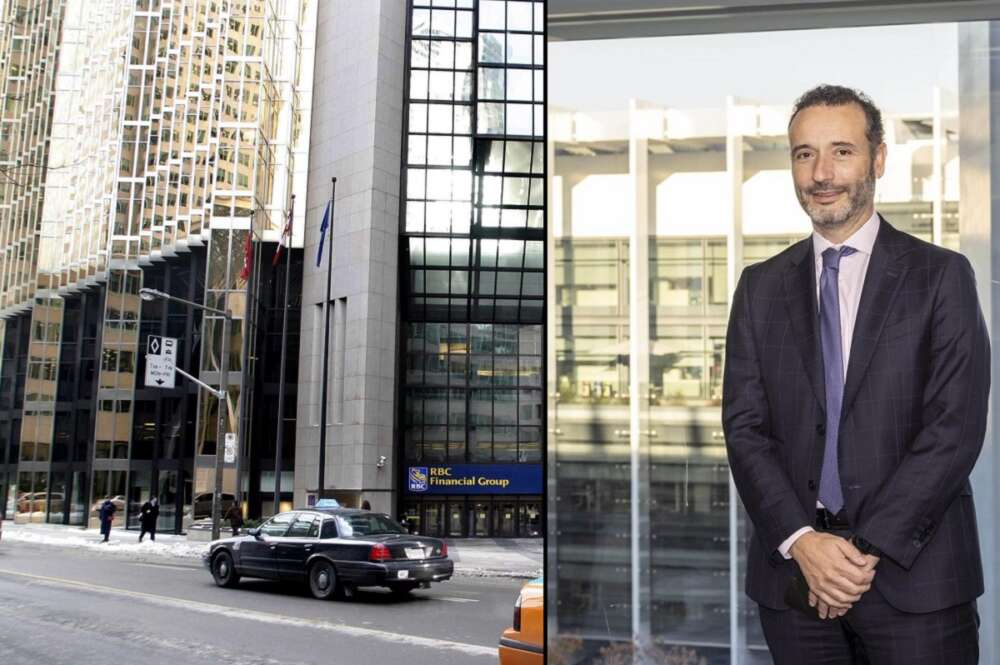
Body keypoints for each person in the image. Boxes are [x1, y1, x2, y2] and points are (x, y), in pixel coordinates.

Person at [722, 84, 988, 664]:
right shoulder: (759, 287)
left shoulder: (941, 276)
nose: (821, 173)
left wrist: (861, 551)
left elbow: (954, 430)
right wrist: (804, 542)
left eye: (841, 151)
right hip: (796, 583)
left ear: (879, 159)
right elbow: (744, 430)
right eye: (804, 154)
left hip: (914, 579)